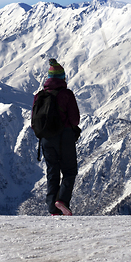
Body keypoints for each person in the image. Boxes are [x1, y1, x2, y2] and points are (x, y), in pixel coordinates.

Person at [33, 58, 80, 216]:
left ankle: (53, 209)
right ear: (62, 78)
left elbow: (34, 121)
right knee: (69, 171)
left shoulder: (39, 96)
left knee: (52, 172)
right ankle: (62, 201)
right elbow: (75, 120)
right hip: (64, 137)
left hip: (45, 139)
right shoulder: (66, 94)